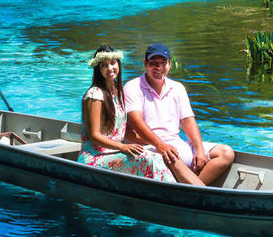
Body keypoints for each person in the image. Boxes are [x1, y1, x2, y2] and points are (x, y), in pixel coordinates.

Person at [123, 43, 235, 187]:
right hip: (150, 147)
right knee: (171, 156)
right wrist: (160, 145)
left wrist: (199, 149)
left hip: (176, 144)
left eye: (163, 63)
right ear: (145, 64)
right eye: (153, 63)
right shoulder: (133, 87)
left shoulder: (177, 88)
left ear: (169, 64)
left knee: (226, 153)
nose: (159, 67)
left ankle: (188, 189)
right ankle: (201, 194)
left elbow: (188, 121)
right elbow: (136, 123)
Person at [77, 45, 175, 183]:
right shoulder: (95, 95)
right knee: (146, 159)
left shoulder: (118, 91)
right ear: (98, 69)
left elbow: (123, 131)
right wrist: (123, 147)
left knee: (157, 156)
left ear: (118, 64)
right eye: (104, 65)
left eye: (113, 63)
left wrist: (159, 143)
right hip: (95, 157)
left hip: (115, 151)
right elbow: (94, 136)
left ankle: (169, 190)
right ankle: (171, 194)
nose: (110, 68)